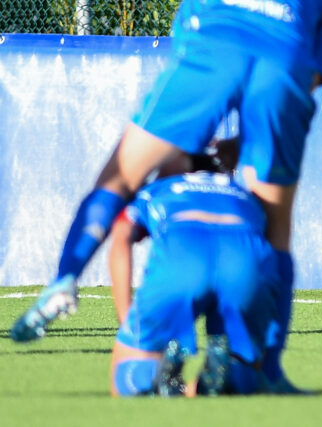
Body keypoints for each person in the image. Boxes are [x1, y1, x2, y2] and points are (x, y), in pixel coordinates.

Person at [11, 0, 322, 391]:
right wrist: (243, 142)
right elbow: (310, 77)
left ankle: (65, 277)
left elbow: (186, 43)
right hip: (282, 67)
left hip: (209, 58)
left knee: (119, 179)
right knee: (276, 227)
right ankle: (268, 368)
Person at [108, 166, 280, 397]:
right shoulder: (242, 192)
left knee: (125, 374)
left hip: (184, 253)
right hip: (245, 257)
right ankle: (225, 374)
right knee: (243, 361)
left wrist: (126, 320)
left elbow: (121, 236)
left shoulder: (156, 189)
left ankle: (152, 377)